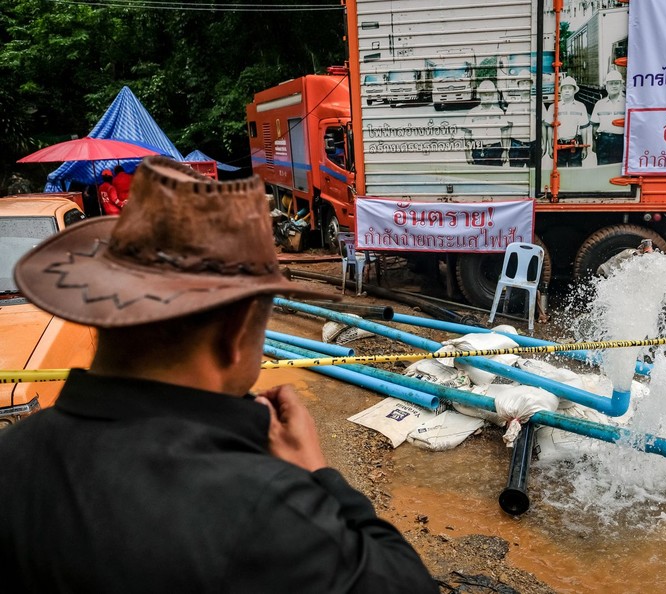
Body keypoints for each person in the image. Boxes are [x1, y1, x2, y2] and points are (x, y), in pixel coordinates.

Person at [0, 156, 438, 593]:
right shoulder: (262, 504)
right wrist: (316, 472)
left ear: (97, 305)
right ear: (236, 332)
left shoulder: (15, 455)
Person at [543, 76, 592, 167]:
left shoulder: (581, 106)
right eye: (564, 88)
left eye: (570, 88)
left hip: (575, 146)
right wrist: (550, 147)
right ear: (561, 90)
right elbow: (549, 128)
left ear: (574, 91)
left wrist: (584, 148)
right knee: (560, 174)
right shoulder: (552, 107)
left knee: (575, 174)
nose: (567, 90)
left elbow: (583, 129)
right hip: (558, 146)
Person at [462, 79, 510, 166]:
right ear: (480, 95)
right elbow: (467, 135)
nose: (487, 97)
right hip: (478, 150)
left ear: (493, 95)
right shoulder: (472, 113)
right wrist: (467, 154)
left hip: (495, 150)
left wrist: (505, 151)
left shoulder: (499, 112)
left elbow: (504, 132)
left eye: (490, 94)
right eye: (485, 94)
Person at [591, 69, 626, 165]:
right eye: (611, 83)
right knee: (603, 170)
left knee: (619, 170)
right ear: (606, 86)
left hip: (621, 141)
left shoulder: (627, 103)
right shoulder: (599, 104)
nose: (614, 86)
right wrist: (594, 144)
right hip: (603, 141)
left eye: (616, 83)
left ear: (621, 85)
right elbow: (594, 126)